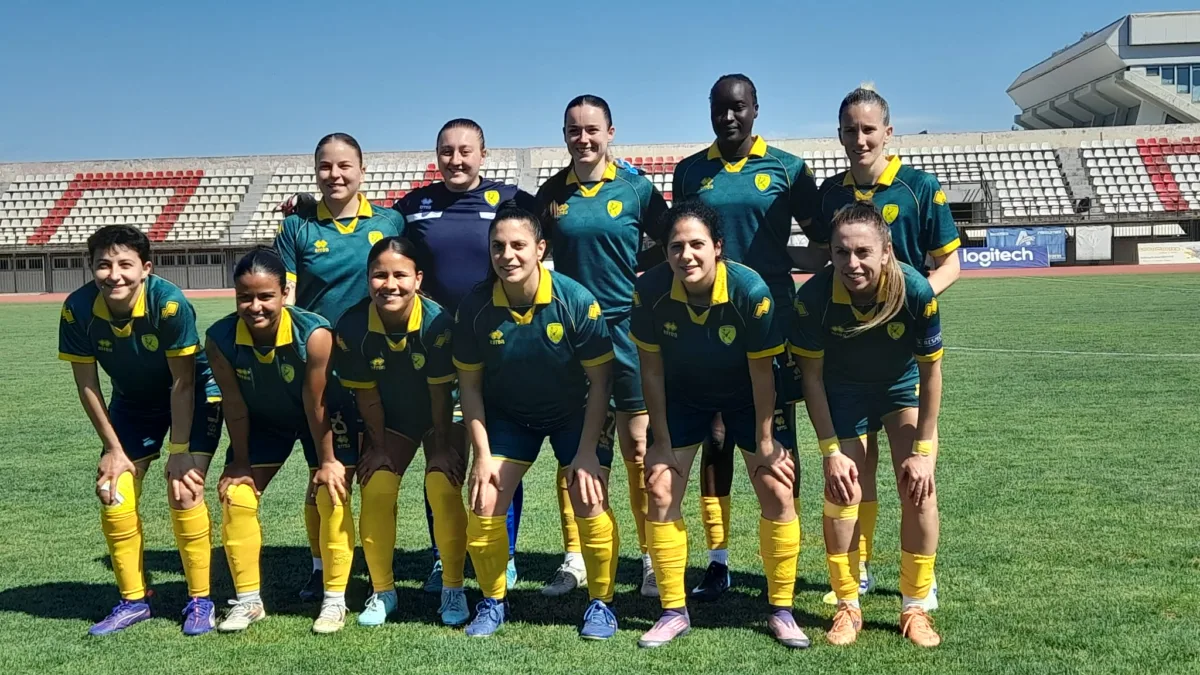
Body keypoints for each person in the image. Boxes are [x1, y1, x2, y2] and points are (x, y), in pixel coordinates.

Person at [807, 86, 961, 607]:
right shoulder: (830, 193)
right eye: (850, 130)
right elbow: (826, 263)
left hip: (900, 356)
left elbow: (950, 264)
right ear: (839, 135)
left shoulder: (919, 188)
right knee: (858, 470)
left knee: (915, 473)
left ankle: (921, 582)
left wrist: (906, 302)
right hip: (845, 360)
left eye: (869, 129)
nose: (860, 139)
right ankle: (861, 568)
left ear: (888, 133)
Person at [671, 73, 819, 600]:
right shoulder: (690, 171)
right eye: (720, 108)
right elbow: (679, 242)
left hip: (771, 321)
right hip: (705, 326)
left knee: (777, 439)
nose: (729, 116)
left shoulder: (788, 168)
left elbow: (822, 243)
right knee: (715, 438)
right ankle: (718, 561)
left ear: (756, 109)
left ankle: (781, 561)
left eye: (738, 107)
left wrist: (779, 261)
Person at [633, 200, 806, 650]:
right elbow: (651, 370)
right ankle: (673, 612)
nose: (686, 255)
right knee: (661, 487)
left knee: (777, 486)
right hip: (683, 397)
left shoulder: (751, 291)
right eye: (676, 247)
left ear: (718, 247)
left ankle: (782, 610)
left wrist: (765, 442)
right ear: (665, 252)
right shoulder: (649, 290)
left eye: (696, 244)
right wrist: (661, 441)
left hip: (748, 397)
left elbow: (763, 374)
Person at [453, 207, 619, 639]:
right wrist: (482, 456)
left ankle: (602, 603)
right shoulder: (475, 307)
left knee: (588, 494)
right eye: (498, 246)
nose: (507, 255)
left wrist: (587, 453)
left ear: (540, 249)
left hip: (575, 414)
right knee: (485, 499)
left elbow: (601, 382)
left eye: (518, 245)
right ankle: (492, 601)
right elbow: (469, 388)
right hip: (510, 417)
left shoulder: (575, 300)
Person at [791, 202, 944, 647]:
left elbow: (931, 374)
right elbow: (811, 380)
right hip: (844, 394)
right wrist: (830, 453)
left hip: (899, 391)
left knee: (919, 488)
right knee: (844, 490)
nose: (852, 263)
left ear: (886, 251)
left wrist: (923, 452)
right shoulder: (813, 299)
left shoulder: (915, 291)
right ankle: (847, 604)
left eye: (863, 252)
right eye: (841, 252)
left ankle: (915, 606)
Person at [59, 224, 223, 636]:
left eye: (125, 265)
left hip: (194, 395)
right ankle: (134, 601)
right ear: (90, 267)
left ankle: (200, 600)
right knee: (113, 491)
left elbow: (183, 382)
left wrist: (180, 451)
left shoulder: (168, 304)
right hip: (134, 405)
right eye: (103, 265)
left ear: (146, 268)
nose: (114, 275)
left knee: (184, 489)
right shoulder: (77, 309)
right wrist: (113, 450)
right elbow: (87, 385)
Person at [536, 94, 669, 598]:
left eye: (592, 129)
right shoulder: (552, 194)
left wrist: (640, 280)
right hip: (572, 336)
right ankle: (576, 558)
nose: (583, 139)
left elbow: (670, 242)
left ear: (610, 132)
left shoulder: (636, 188)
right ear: (564, 136)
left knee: (638, 446)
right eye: (574, 130)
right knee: (577, 448)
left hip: (627, 334)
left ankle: (650, 558)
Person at [273, 132, 404, 601]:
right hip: (321, 373)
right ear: (315, 172)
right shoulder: (297, 229)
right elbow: (287, 297)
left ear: (362, 170)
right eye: (325, 166)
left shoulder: (390, 221)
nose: (335, 175)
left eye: (344, 165)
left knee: (374, 472)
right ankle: (321, 566)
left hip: (376, 368)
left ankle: (374, 564)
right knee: (324, 473)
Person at [206, 247, 359, 634]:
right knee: (237, 495)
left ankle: (333, 599)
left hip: (322, 417)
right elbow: (234, 404)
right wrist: (240, 461)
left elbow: (316, 403)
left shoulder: (315, 334)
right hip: (265, 422)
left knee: (331, 491)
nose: (255, 306)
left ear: (285, 293)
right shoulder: (220, 338)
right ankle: (248, 601)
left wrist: (328, 461)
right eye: (245, 297)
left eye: (265, 296)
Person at [333, 236, 469, 627]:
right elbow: (367, 396)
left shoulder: (438, 323)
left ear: (418, 279)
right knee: (376, 484)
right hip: (393, 418)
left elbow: (441, 394)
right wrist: (377, 447)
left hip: (443, 415)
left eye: (400, 275)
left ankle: (453, 588)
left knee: (441, 483)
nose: (389, 284)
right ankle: (383, 591)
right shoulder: (352, 326)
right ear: (367, 278)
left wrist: (440, 448)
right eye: (380, 275)